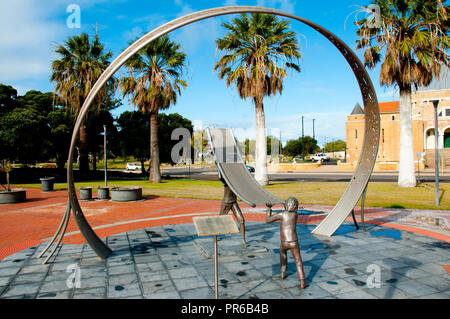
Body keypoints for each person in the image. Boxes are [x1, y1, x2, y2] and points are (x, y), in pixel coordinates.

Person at [266, 197, 307, 288]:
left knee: (282, 254)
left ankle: (282, 273)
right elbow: (289, 209)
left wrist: (269, 208)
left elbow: (268, 220)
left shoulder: (282, 214)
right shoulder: (295, 214)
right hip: (294, 242)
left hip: (284, 242)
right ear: (295, 207)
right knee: (298, 261)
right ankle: (302, 282)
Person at [219, 177, 246, 247]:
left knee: (241, 220)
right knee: (219, 220)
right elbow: (220, 177)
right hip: (226, 203)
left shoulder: (237, 183)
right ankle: (216, 236)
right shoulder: (226, 181)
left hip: (234, 203)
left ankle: (243, 240)